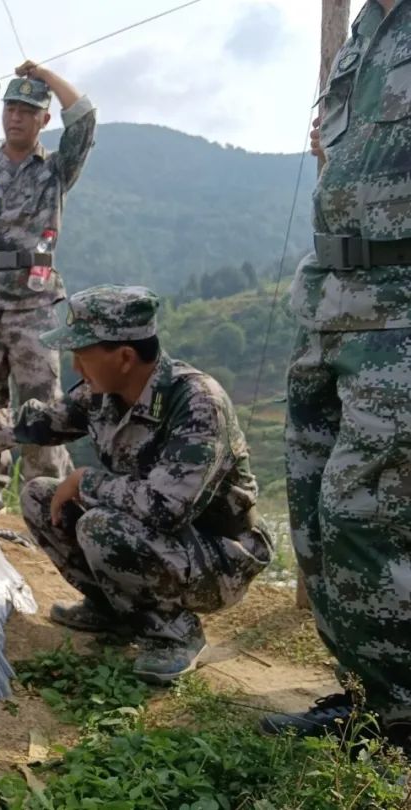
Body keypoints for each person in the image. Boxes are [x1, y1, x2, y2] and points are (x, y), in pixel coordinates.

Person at [0, 285, 273, 684]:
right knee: (40, 496)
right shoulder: (102, 394)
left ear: (124, 357)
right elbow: (33, 423)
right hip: (153, 537)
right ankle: (111, 609)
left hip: (216, 557)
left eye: (82, 354)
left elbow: (166, 508)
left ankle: (175, 633)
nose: (75, 366)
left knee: (98, 525)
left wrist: (86, 480)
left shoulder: (196, 403)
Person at [263, 0, 411, 751]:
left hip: (401, 313)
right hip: (330, 304)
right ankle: (370, 694)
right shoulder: (362, 35)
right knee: (316, 517)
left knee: (369, 517)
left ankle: (406, 715)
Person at [0, 60, 96, 525]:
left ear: (43, 119)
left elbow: (85, 118)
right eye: (11, 107)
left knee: (41, 404)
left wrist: (45, 75)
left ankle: (46, 496)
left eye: (28, 110)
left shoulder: (55, 171)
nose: (16, 117)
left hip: (34, 306)